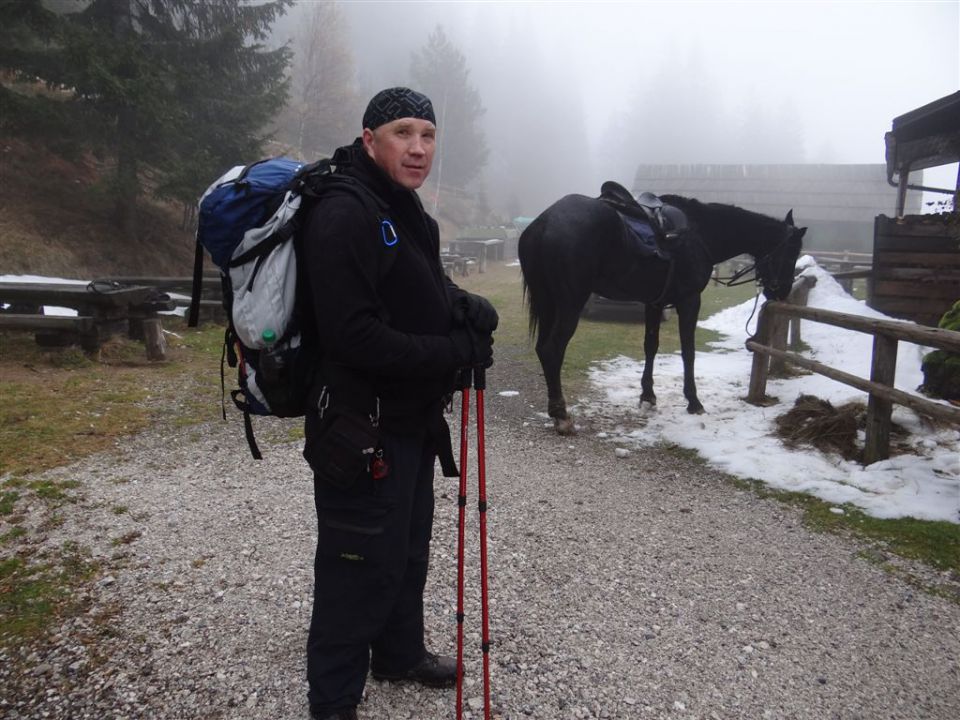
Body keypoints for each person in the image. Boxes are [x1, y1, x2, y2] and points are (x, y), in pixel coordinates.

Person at [298, 87, 498, 720]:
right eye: (403, 133)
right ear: (369, 139)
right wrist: (449, 352)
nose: (418, 148)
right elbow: (351, 335)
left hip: (409, 419)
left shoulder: (406, 209)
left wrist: (460, 302)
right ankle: (332, 703)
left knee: (408, 550)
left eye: (428, 135)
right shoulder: (344, 213)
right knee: (355, 564)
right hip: (360, 425)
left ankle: (398, 652)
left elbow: (417, 282)